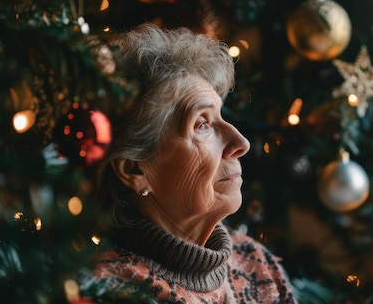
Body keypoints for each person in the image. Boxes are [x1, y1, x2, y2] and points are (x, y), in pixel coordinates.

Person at [80, 23, 297, 304]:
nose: (241, 143)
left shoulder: (253, 261)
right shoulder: (110, 291)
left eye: (220, 116)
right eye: (202, 125)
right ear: (135, 170)